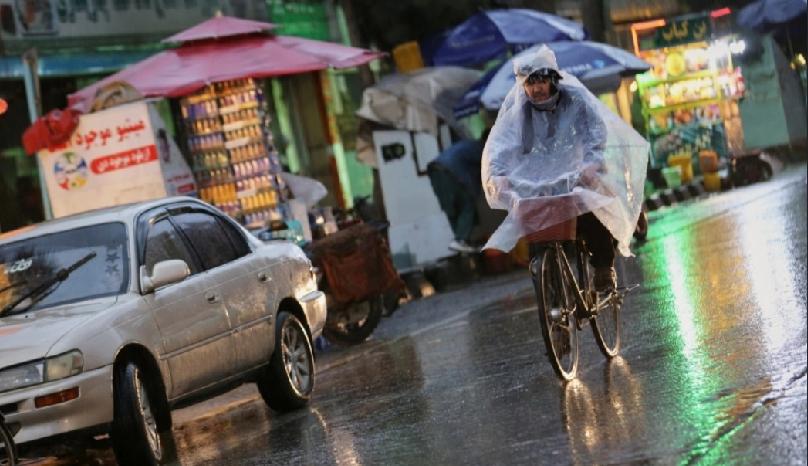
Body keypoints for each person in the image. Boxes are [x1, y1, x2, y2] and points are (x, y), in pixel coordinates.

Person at [481, 45, 649, 292]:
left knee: (592, 210)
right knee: (534, 224)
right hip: (538, 183)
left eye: (541, 81)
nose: (536, 88)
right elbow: (500, 146)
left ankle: (604, 268)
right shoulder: (518, 113)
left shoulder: (576, 100)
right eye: (529, 83)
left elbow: (595, 132)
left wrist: (591, 164)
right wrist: (498, 175)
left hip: (577, 173)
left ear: (552, 79)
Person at [427, 129, 489, 253]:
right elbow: (486, 172)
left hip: (435, 170)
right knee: (468, 205)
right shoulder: (482, 149)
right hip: (450, 171)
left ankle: (461, 241)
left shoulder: (469, 145)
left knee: (452, 209)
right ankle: (460, 239)